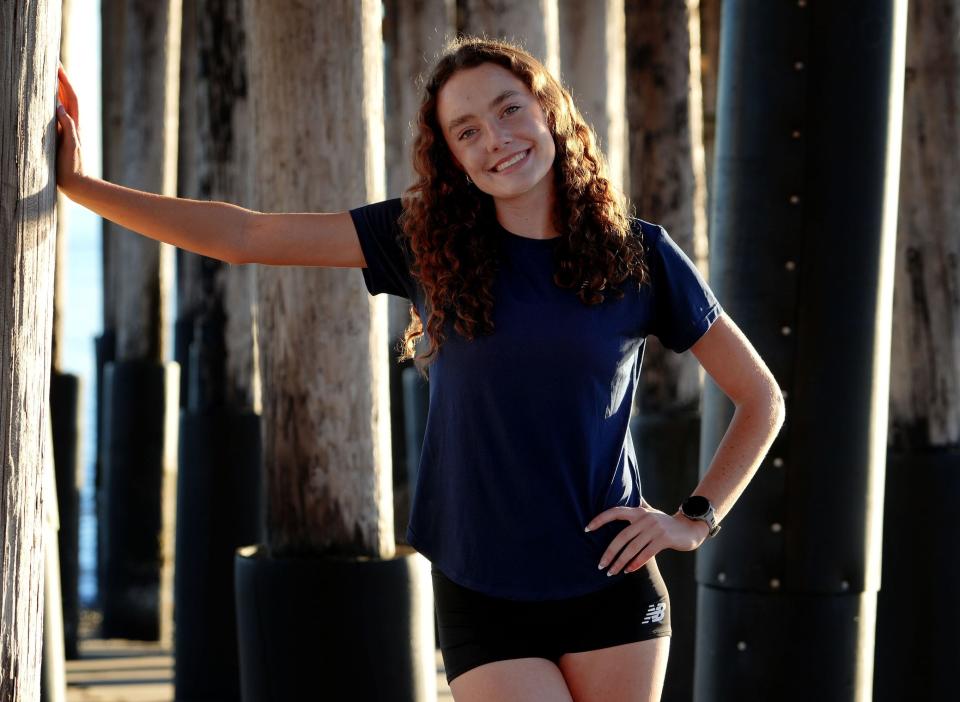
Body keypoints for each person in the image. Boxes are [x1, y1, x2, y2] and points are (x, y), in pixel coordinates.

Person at [56, 37, 784, 702]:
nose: (496, 140)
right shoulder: (424, 242)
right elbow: (248, 235)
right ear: (453, 157)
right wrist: (83, 187)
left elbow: (760, 398)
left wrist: (692, 520)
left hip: (611, 583)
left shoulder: (641, 255)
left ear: (550, 110)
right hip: (481, 587)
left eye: (509, 110)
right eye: (467, 131)